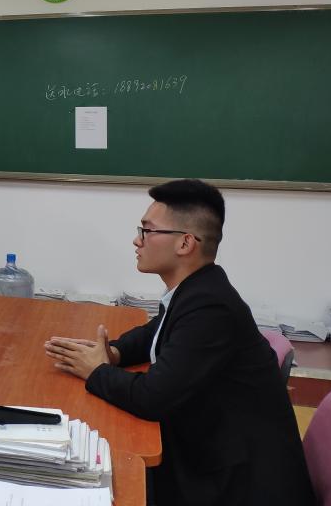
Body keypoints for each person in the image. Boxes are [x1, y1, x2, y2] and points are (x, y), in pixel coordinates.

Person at [44, 179, 313, 506]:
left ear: (185, 243)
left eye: (147, 230)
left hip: (238, 485)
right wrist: (114, 352)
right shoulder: (197, 290)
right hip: (215, 452)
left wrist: (97, 371)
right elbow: (155, 331)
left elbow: (152, 397)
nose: (137, 240)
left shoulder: (211, 308)